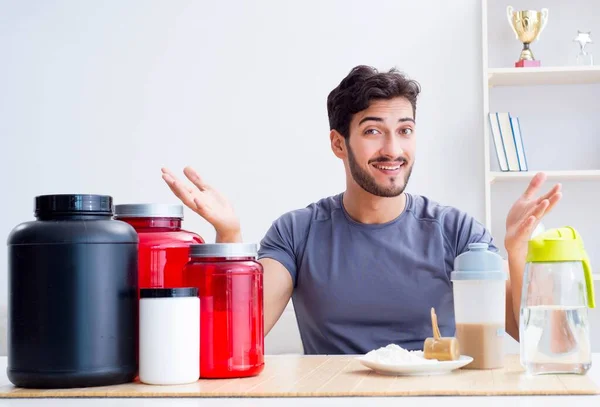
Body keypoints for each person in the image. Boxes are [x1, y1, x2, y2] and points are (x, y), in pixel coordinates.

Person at [161, 65, 562, 355]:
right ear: (339, 144)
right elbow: (239, 337)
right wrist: (229, 238)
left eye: (405, 130)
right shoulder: (296, 233)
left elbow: (536, 340)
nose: (393, 149)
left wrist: (517, 251)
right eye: (373, 131)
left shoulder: (456, 231)